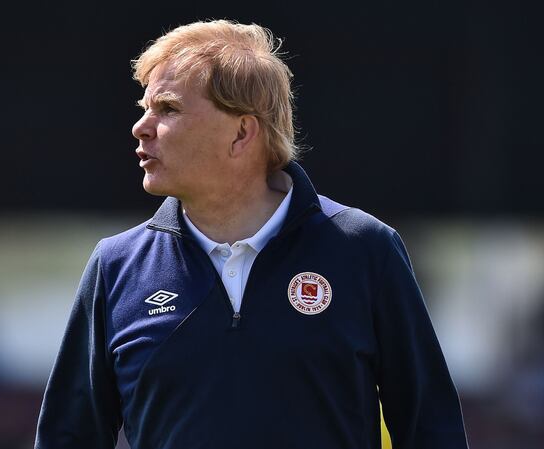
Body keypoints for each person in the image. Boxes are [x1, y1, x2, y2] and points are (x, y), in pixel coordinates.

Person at [34, 19, 468, 449]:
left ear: (242, 132)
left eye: (168, 109)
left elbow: (432, 430)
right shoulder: (116, 266)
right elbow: (66, 438)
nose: (141, 127)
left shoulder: (365, 248)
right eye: (144, 108)